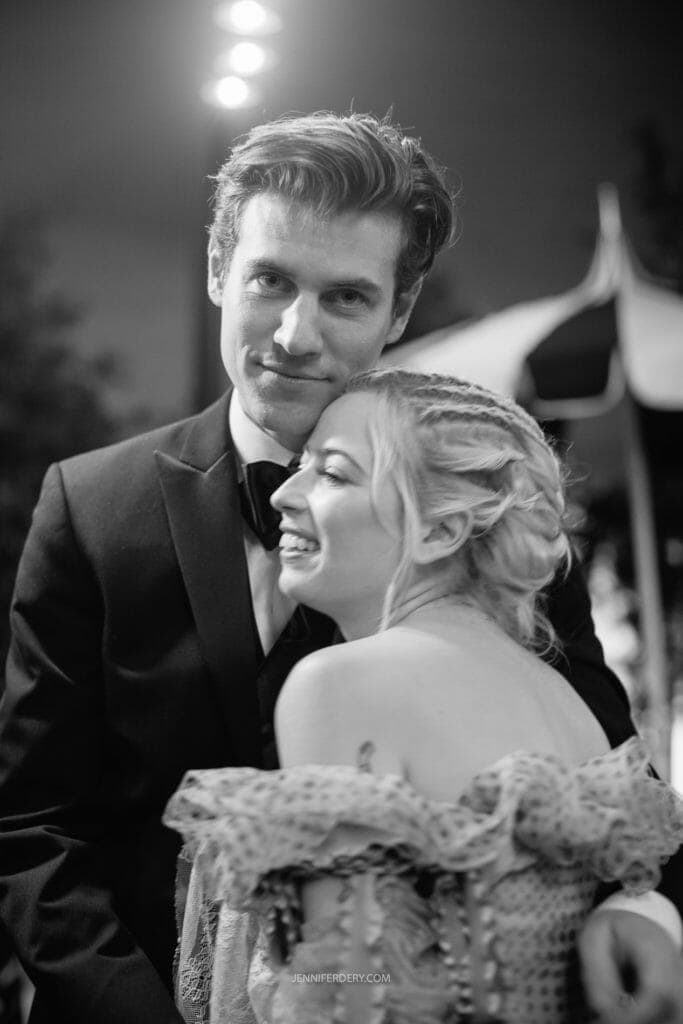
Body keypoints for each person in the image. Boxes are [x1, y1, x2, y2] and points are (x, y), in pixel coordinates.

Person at [0, 111, 680, 1024]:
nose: (293, 333)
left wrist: (647, 911)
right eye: (270, 280)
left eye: (346, 297)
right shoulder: (91, 508)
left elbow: (611, 779)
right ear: (216, 271)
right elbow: (34, 828)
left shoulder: (471, 518)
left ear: (399, 310)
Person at [165, 368, 683, 1023]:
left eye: (332, 473)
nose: (283, 496)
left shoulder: (338, 685)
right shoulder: (564, 703)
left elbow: (348, 995)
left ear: (438, 532)